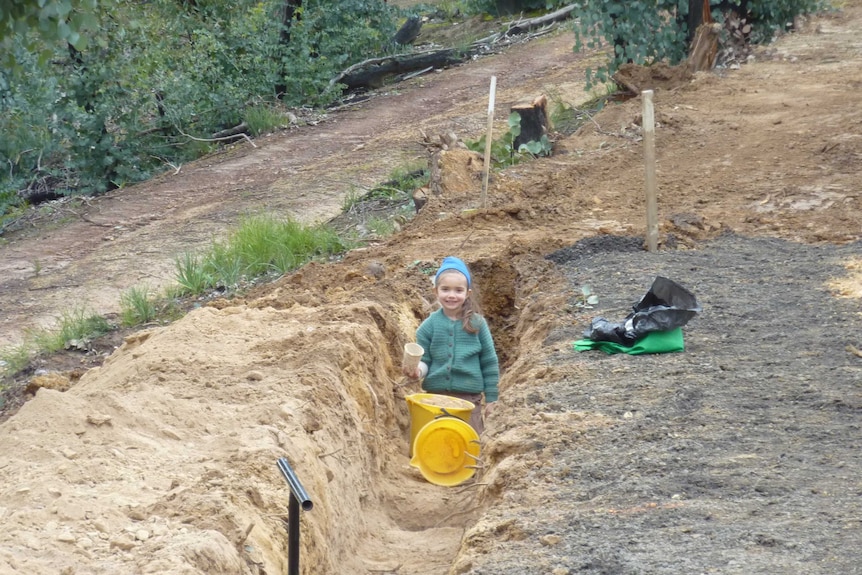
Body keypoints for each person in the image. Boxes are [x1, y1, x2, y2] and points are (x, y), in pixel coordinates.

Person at [404, 256, 500, 434]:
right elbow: (425, 360)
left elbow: (489, 362)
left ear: (467, 293)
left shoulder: (477, 324)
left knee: (468, 442)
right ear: (435, 291)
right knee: (434, 439)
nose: (451, 295)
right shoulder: (428, 326)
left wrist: (492, 398)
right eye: (445, 289)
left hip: (468, 401)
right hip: (435, 399)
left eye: (458, 290)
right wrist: (418, 371)